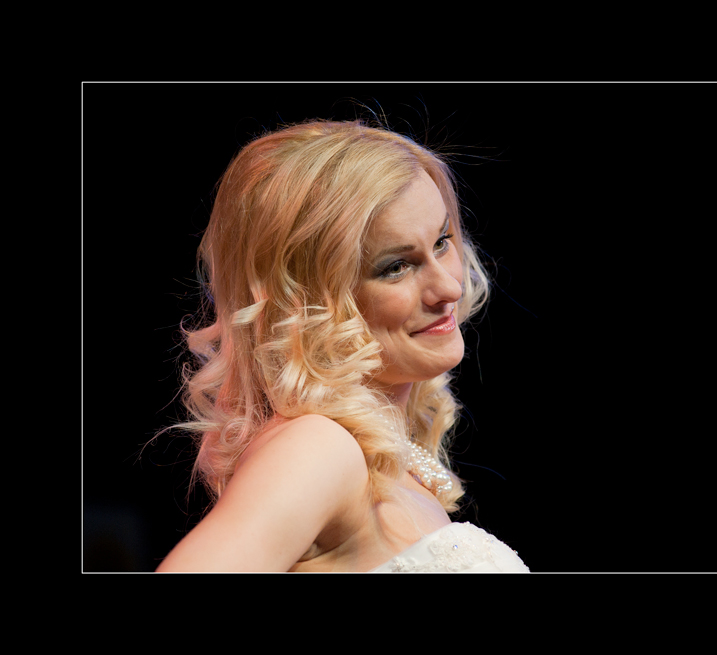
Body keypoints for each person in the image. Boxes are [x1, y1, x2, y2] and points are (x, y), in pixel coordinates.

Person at [155, 119, 529, 572]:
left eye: (442, 241)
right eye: (396, 266)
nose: (449, 287)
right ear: (310, 300)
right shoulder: (319, 446)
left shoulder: (382, 459)